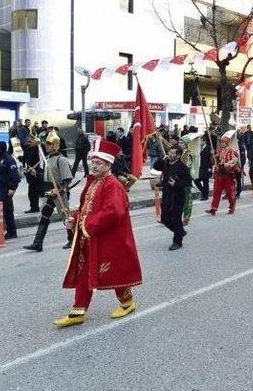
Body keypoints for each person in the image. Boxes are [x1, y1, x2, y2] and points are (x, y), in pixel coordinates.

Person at [53, 139, 142, 327]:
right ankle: (78, 310)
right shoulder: (93, 182)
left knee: (114, 271)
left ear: (108, 165)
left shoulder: (113, 185)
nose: (93, 164)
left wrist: (87, 224)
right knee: (85, 270)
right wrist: (75, 219)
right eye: (92, 161)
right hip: (91, 236)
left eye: (98, 162)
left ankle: (127, 303)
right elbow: (87, 207)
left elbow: (114, 212)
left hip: (110, 238)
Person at [23, 131, 74, 251]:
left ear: (55, 145)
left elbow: (67, 178)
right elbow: (47, 177)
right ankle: (38, 243)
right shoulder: (48, 159)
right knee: (44, 216)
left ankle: (72, 239)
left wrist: (58, 189)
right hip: (49, 192)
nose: (47, 146)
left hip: (60, 193)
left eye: (49, 144)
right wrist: (36, 173)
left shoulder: (61, 160)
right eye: (46, 144)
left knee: (66, 217)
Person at [153, 146, 191, 250]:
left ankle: (177, 242)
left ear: (178, 155)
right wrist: (162, 159)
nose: (171, 155)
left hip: (177, 196)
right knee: (164, 218)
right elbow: (155, 167)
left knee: (176, 219)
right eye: (170, 152)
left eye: (173, 153)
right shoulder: (165, 163)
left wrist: (176, 184)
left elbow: (188, 181)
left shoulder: (182, 166)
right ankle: (180, 231)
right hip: (167, 195)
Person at [0, 141, 21, 243]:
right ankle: (11, 232)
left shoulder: (8, 160)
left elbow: (14, 176)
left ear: (1, 148)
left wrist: (12, 188)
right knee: (8, 212)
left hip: (5, 190)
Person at [205, 132, 240, 215]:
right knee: (216, 192)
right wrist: (213, 155)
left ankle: (232, 206)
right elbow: (214, 161)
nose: (221, 143)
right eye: (221, 142)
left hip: (228, 175)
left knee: (229, 192)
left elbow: (235, 160)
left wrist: (227, 164)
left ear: (226, 143)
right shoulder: (219, 151)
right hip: (219, 174)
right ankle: (213, 208)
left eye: (223, 142)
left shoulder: (231, 151)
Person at [23, 135, 44, 213]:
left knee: (41, 191)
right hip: (30, 173)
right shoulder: (28, 149)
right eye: (28, 141)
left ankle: (40, 207)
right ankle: (34, 207)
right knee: (32, 193)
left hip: (38, 172)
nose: (28, 143)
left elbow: (43, 159)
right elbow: (26, 159)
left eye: (30, 141)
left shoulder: (40, 148)